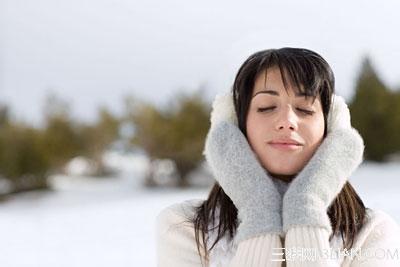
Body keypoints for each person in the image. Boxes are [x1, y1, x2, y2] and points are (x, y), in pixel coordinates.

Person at [156, 47, 400, 266]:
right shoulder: (184, 227)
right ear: (235, 126)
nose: (287, 122)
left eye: (305, 109)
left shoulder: (372, 233)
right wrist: (258, 212)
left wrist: (306, 205)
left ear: (333, 130)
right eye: (266, 107)